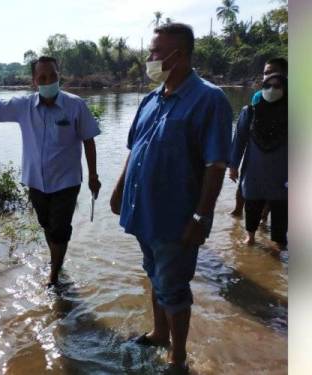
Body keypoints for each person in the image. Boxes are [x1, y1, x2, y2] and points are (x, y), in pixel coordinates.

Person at [109, 23, 232, 375]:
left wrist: (200, 218)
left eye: (156, 52)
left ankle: (177, 359)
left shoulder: (209, 99)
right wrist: (119, 190)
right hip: (143, 213)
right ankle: (159, 333)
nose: (150, 59)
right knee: (154, 275)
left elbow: (216, 164)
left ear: (179, 55)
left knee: (174, 288)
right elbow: (134, 150)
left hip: (176, 218)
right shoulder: (151, 99)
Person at [0, 56, 102, 286]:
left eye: (53, 76)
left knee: (60, 229)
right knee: (47, 226)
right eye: (42, 77)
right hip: (36, 181)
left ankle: (54, 275)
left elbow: (89, 140)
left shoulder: (76, 105)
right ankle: (56, 259)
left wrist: (93, 175)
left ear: (59, 75)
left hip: (67, 181)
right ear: (35, 81)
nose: (48, 80)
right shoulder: (23, 106)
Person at [229, 72, 288, 254]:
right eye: (267, 86)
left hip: (282, 170)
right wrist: (233, 165)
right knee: (252, 200)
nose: (271, 90)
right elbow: (239, 140)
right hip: (255, 167)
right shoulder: (250, 111)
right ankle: (250, 235)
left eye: (277, 86)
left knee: (281, 206)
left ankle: (278, 243)